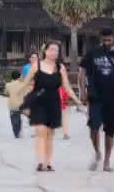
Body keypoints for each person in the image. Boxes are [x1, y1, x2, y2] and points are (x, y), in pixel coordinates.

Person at [79, 28, 114, 172]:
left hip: (113, 98)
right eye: (104, 40)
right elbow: (82, 72)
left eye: (109, 40)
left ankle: (107, 161)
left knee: (110, 130)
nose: (106, 42)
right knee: (93, 128)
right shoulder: (92, 53)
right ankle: (97, 152)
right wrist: (82, 91)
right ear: (100, 39)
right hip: (95, 96)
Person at [23, 41, 82, 171]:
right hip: (38, 101)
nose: (54, 52)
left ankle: (47, 162)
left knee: (50, 133)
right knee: (40, 131)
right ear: (45, 51)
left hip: (54, 102)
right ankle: (39, 161)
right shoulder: (36, 65)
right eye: (51, 50)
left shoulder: (60, 68)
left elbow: (66, 86)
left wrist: (77, 100)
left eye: (56, 50)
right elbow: (26, 82)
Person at [5, 71, 28, 138]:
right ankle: (19, 130)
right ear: (19, 77)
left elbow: (6, 93)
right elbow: (26, 93)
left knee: (14, 119)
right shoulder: (23, 84)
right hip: (22, 105)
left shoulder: (8, 85)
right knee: (19, 118)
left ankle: (16, 133)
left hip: (13, 106)